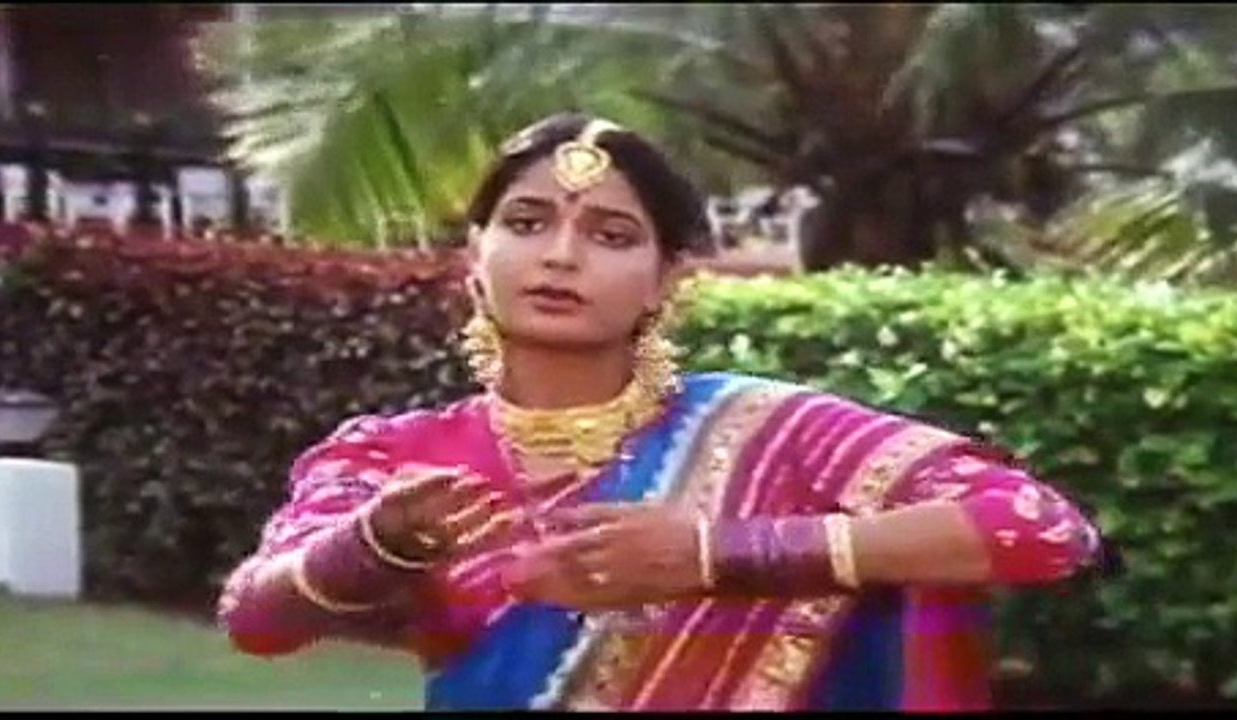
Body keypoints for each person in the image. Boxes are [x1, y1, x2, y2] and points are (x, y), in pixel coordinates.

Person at [216, 113, 1106, 711]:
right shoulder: (393, 456)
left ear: (667, 280)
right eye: (526, 222)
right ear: (474, 254)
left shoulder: (774, 432)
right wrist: (374, 545)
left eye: (611, 235)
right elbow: (256, 620)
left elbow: (1039, 527)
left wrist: (714, 556)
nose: (560, 255)